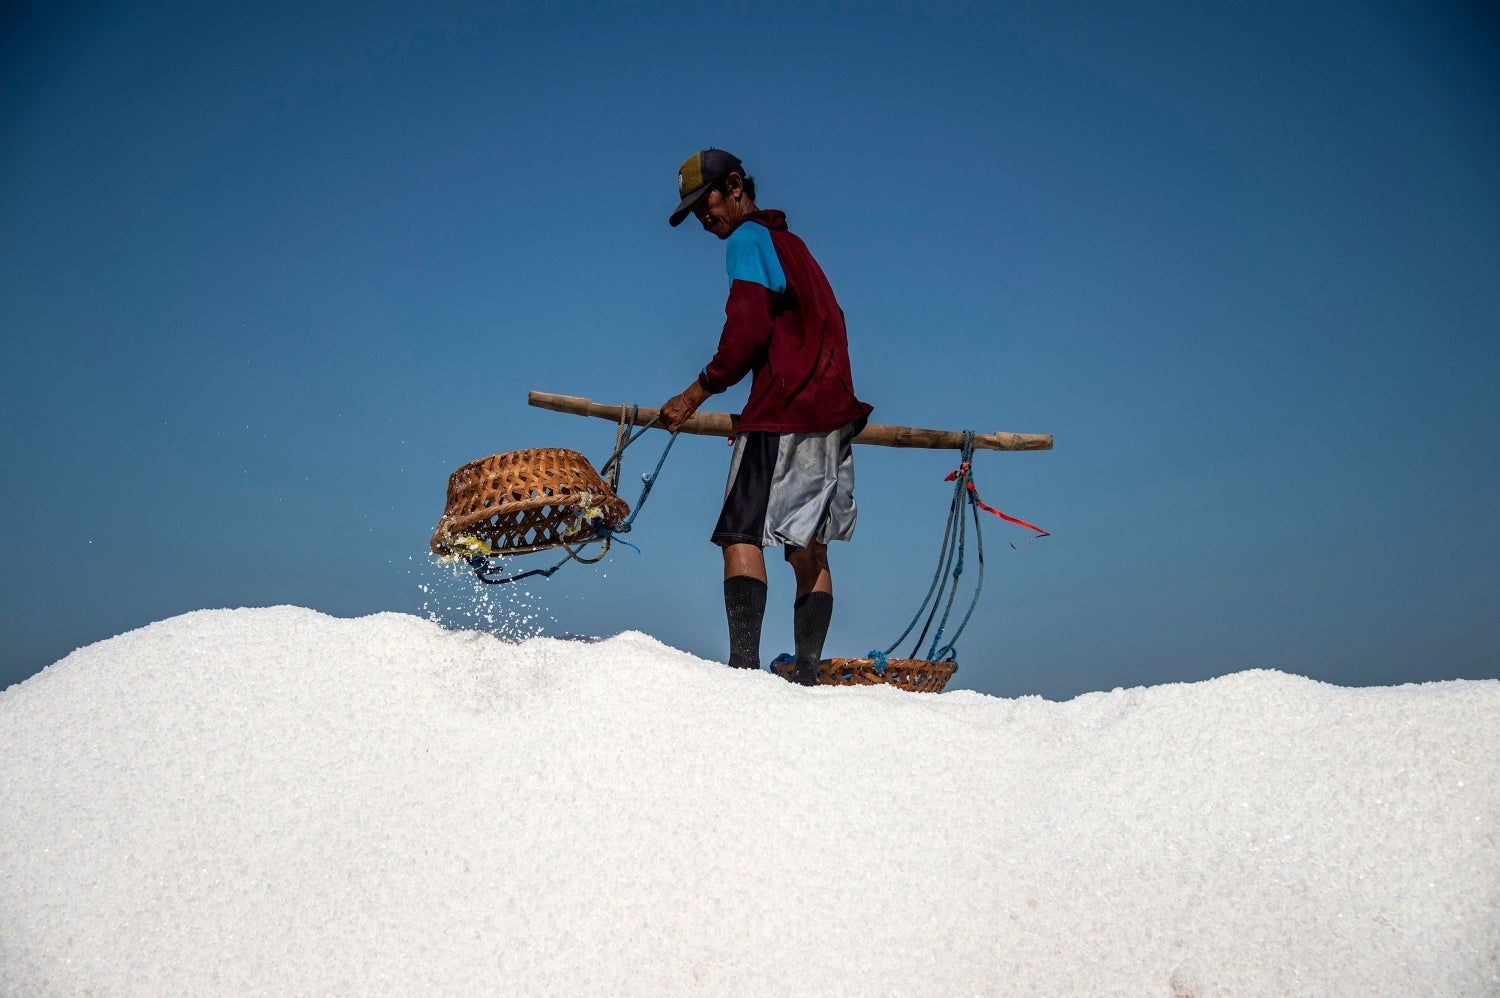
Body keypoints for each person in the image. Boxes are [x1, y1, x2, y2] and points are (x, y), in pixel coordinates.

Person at [659, 149, 873, 686]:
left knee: (741, 535)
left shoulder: (749, 240)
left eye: (704, 204)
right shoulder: (794, 247)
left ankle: (743, 679)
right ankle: (805, 677)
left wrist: (695, 394)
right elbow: (829, 324)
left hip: (785, 409)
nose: (702, 220)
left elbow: (747, 332)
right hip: (830, 413)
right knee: (809, 546)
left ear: (734, 186)